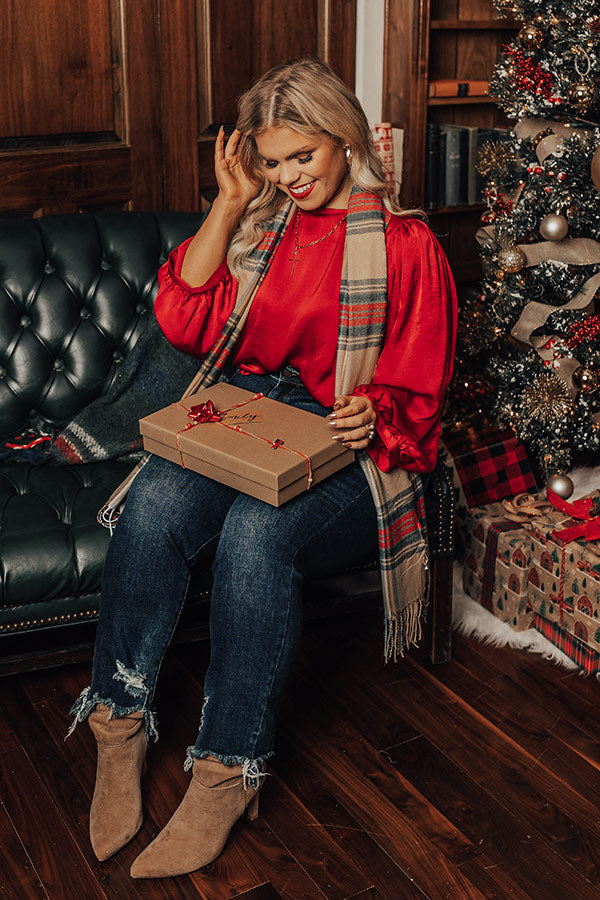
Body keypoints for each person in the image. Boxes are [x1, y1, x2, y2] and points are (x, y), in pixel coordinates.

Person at [68, 58, 457, 879]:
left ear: (344, 139)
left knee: (255, 537)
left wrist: (372, 409)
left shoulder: (404, 243)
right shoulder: (260, 224)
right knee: (152, 511)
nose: (289, 177)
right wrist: (232, 198)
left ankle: (224, 771)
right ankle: (118, 723)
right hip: (251, 409)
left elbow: (419, 391)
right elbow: (181, 319)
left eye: (301, 157)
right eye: (272, 161)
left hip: (348, 437)